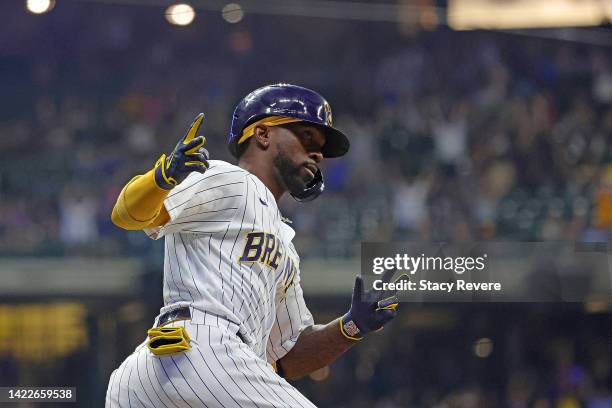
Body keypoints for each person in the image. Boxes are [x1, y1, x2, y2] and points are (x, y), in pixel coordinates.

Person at [106, 84, 400, 407]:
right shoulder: (230, 178)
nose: (318, 153)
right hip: (204, 347)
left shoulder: (284, 243)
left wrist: (351, 325)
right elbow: (126, 216)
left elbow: (289, 357)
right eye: (307, 137)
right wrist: (162, 178)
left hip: (149, 379)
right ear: (262, 134)